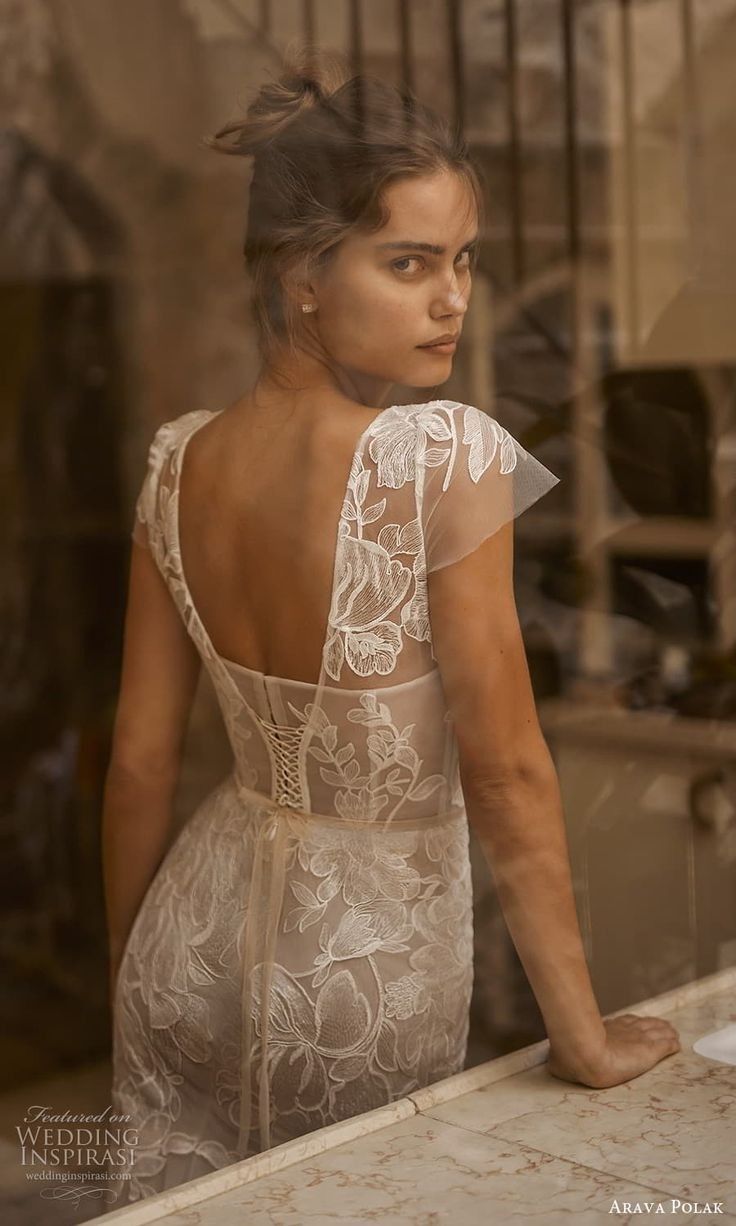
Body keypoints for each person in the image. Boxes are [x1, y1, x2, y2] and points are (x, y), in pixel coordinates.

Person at [101, 48, 680, 1208]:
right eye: (408, 262)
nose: (452, 297)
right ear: (304, 276)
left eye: (462, 260)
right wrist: (583, 1039)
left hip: (188, 946)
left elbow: (138, 759)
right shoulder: (439, 455)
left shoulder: (177, 463)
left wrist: (127, 977)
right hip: (360, 972)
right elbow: (508, 769)